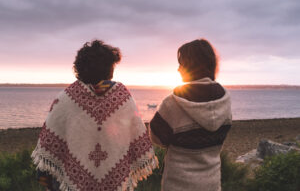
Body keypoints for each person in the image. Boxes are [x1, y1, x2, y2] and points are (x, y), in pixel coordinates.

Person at [32, 40, 158, 191]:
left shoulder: (65, 99)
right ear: (109, 69)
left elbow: (49, 148)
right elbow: (137, 141)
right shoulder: (123, 98)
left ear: (79, 68)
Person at [149, 39, 232, 191]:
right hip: (211, 183)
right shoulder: (225, 99)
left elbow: (156, 137)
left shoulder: (173, 102)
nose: (178, 69)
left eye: (181, 64)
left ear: (191, 66)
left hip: (178, 184)